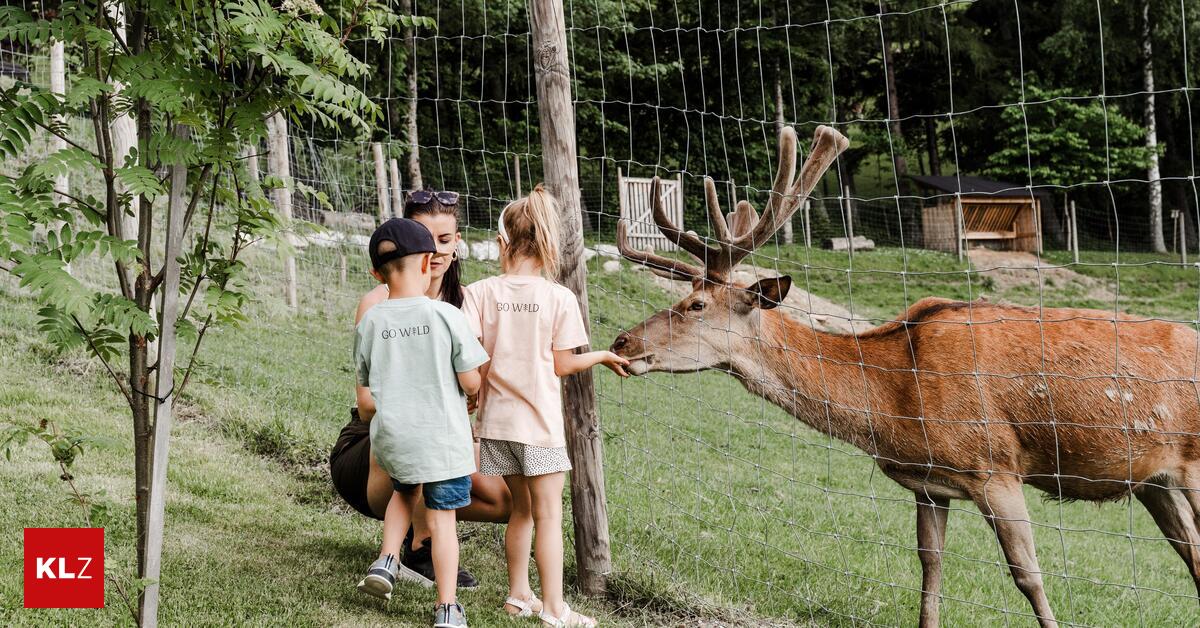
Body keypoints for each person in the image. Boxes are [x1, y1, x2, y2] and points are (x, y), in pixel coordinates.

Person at [462, 185, 629, 627]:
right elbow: (561, 364)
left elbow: (470, 359)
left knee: (520, 511)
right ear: (548, 243)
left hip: (496, 427)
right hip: (540, 429)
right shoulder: (559, 298)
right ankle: (555, 609)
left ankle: (519, 595)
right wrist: (602, 355)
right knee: (549, 516)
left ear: (503, 242)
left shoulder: (478, 293)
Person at [330, 190, 512, 589]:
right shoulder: (378, 304)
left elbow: (475, 388)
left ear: (457, 242)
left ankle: (426, 526)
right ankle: (418, 547)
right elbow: (367, 404)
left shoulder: (462, 305)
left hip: (441, 427)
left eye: (445, 240)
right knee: (410, 428)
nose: (437, 249)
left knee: (502, 497)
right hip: (373, 440)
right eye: (427, 238)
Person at [353, 217, 490, 628]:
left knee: (403, 492)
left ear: (377, 273)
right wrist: (471, 389)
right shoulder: (446, 315)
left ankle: (386, 560)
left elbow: (366, 394)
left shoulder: (372, 322)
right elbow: (470, 379)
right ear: (430, 261)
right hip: (442, 441)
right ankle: (447, 607)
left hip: (395, 438)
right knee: (442, 519)